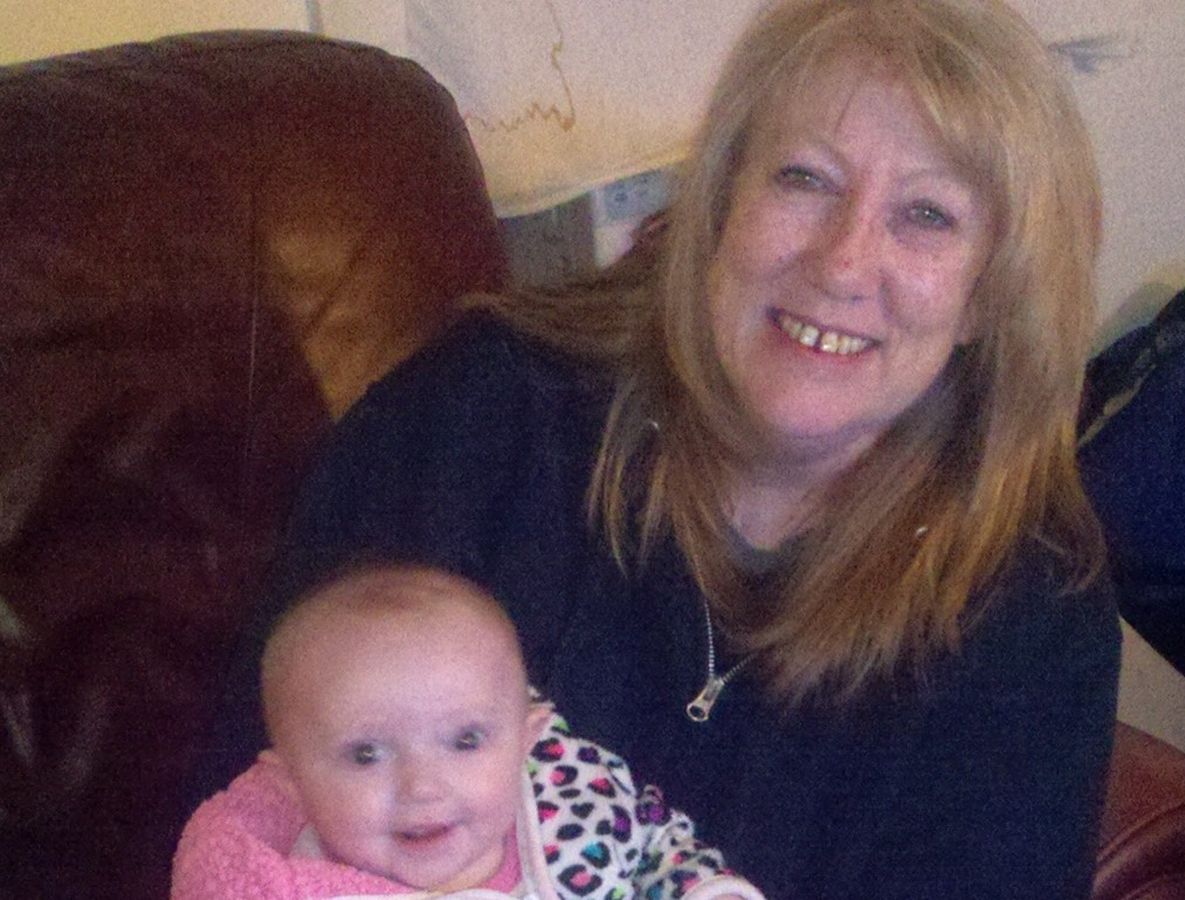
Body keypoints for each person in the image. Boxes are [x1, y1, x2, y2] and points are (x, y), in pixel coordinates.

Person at [198, 0, 1121, 896]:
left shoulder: (1029, 611)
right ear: (720, 203)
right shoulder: (478, 421)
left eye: (928, 216)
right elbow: (259, 804)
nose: (842, 262)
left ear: (987, 299)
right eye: (806, 178)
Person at [174, 564, 764, 899]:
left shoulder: (569, 798)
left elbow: (657, 846)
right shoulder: (288, 887)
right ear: (292, 781)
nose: (422, 786)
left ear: (527, 739)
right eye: (367, 753)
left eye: (465, 741)